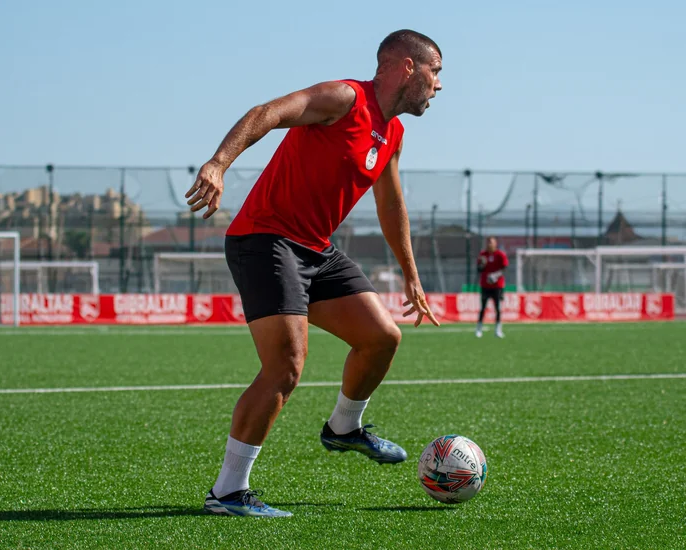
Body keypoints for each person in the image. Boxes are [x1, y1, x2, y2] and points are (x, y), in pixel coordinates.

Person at [185, 30, 443, 517]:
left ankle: (344, 427)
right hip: (266, 240)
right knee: (285, 366)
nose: (440, 85)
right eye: (437, 72)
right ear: (408, 67)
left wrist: (410, 273)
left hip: (316, 250)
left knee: (381, 337)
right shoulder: (345, 98)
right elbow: (269, 113)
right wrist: (219, 163)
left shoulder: (394, 133)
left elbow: (390, 203)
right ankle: (227, 492)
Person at [475, 236, 509, 338]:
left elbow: (505, 268)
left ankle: (498, 330)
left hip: (497, 286)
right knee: (483, 307)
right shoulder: (483, 255)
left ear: (495, 244)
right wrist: (482, 265)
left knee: (498, 308)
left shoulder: (500, 254)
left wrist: (495, 275)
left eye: (492, 242)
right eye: (488, 242)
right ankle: (479, 329)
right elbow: (479, 269)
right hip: (485, 285)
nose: (490, 244)